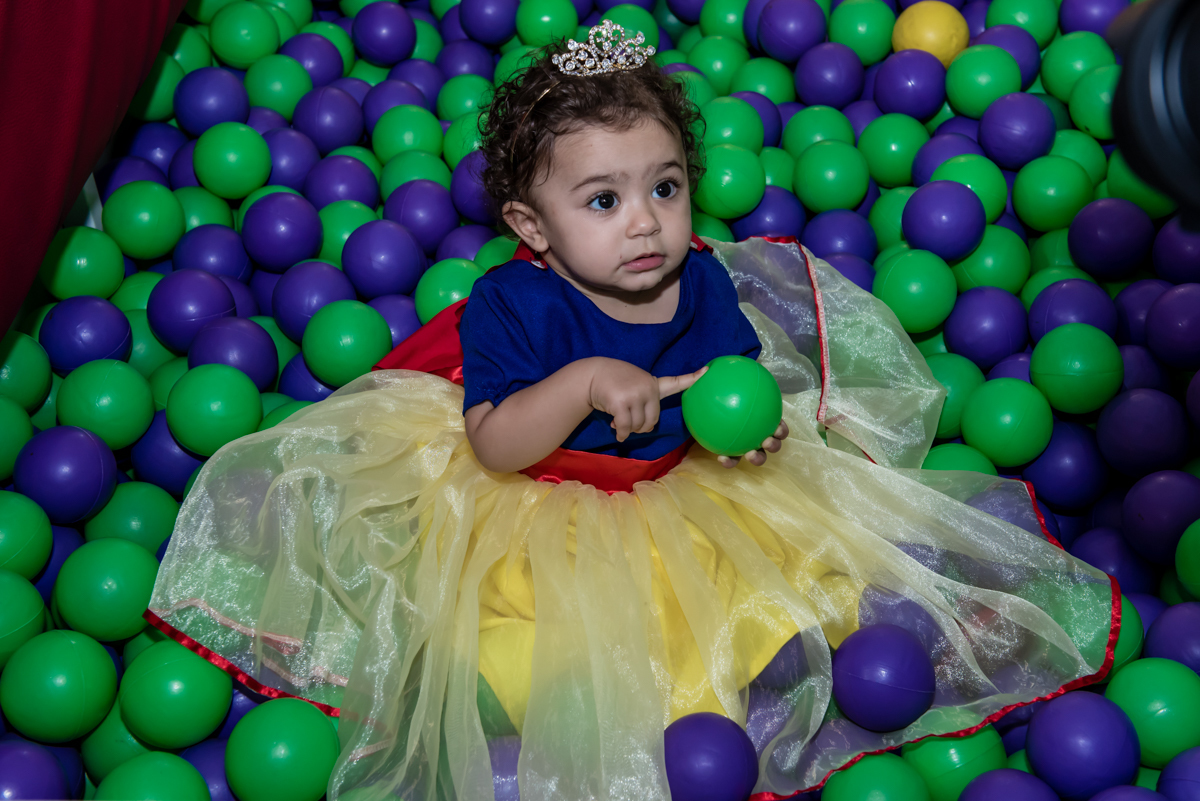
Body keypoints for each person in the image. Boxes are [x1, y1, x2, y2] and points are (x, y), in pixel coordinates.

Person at [148, 21, 1117, 801]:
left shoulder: (697, 284)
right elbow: (492, 444)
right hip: (541, 506)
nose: (646, 221)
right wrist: (579, 383)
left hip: (679, 493)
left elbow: (732, 392)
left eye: (665, 186)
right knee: (546, 651)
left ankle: (755, 684)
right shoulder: (512, 304)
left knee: (779, 597)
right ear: (533, 226)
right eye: (602, 201)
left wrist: (753, 435)